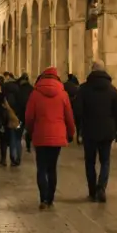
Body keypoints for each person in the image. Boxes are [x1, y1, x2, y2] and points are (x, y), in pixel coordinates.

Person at [25, 67, 75, 209]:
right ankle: (50, 198)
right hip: (57, 136)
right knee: (52, 167)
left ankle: (43, 199)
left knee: (41, 167)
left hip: (40, 135)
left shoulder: (35, 94)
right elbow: (69, 116)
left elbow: (29, 116)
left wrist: (30, 131)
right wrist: (70, 133)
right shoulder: (63, 94)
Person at [75, 61, 117, 202]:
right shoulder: (112, 90)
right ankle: (101, 187)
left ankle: (92, 190)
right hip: (107, 130)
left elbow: (77, 111)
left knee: (90, 162)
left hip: (89, 130)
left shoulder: (84, 89)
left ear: (92, 70)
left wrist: (80, 126)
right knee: (105, 161)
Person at [0, 74, 23, 166]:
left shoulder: (4, 91)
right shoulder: (18, 90)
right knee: (17, 138)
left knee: (6, 138)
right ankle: (16, 158)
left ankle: (6, 158)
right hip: (17, 117)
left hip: (6, 117)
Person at [17, 73, 34, 152]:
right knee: (29, 129)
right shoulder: (32, 89)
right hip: (29, 113)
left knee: (19, 128)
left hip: (20, 114)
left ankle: (18, 141)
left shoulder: (19, 88)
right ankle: (28, 145)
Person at [63, 73, 81, 144]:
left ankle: (67, 136)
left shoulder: (64, 85)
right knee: (77, 123)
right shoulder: (76, 87)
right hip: (75, 107)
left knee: (66, 121)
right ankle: (78, 137)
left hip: (66, 105)